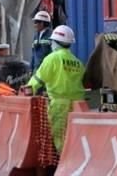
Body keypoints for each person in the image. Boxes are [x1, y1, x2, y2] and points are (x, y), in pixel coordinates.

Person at [25, 25, 85, 153]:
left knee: (60, 140)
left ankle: (64, 167)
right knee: (74, 137)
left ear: (56, 42)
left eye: (52, 41)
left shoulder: (52, 58)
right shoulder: (78, 62)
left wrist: (26, 91)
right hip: (79, 105)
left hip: (60, 105)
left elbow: (37, 80)